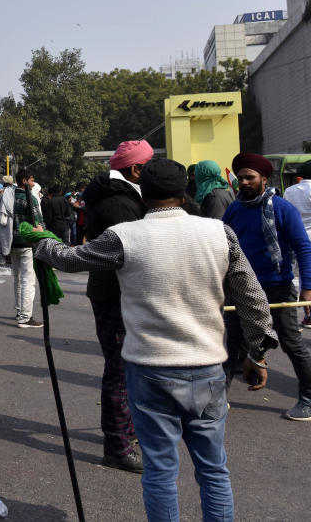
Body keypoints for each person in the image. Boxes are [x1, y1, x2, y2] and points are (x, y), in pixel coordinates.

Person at [32, 157, 278, 522]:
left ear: (143, 192)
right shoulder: (218, 233)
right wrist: (257, 353)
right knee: (213, 470)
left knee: (161, 473)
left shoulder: (125, 237)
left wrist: (40, 242)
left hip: (149, 371)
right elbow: (252, 298)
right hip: (208, 368)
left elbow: (70, 259)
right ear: (183, 192)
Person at [80, 138, 154, 473]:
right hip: (115, 292)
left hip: (116, 290)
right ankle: (117, 446)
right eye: (148, 165)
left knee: (130, 368)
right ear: (136, 169)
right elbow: (134, 250)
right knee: (120, 371)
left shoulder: (119, 195)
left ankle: (127, 432)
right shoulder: (118, 203)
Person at [223, 152, 311, 421]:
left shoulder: (282, 208)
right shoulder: (234, 209)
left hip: (277, 287)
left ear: (264, 178)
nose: (244, 183)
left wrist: (308, 286)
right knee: (232, 341)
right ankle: (217, 398)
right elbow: (221, 245)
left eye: (250, 178)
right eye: (240, 179)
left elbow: (303, 247)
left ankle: (308, 398)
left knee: (290, 342)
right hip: (240, 287)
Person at [0, 169, 44, 328]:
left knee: (17, 278)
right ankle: (25, 317)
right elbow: (39, 223)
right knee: (28, 281)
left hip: (11, 243)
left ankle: (19, 310)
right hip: (26, 244)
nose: (33, 183)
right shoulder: (29, 198)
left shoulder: (7, 196)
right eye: (31, 180)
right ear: (24, 181)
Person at [284, 161, 311, 327]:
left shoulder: (290, 191)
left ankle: (308, 315)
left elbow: (288, 214)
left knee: (304, 276)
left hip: (298, 237)